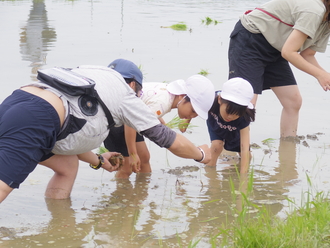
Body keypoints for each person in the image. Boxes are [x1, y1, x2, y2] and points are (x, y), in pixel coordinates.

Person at [0, 62, 212, 203]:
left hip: (18, 101)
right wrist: (201, 154)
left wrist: (99, 160)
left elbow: (71, 138)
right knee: (3, 186)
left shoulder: (96, 74)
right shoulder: (125, 95)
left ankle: (60, 220)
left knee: (67, 166)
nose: (139, 96)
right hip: (40, 117)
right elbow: (168, 139)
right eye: (139, 91)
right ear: (132, 85)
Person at [228, 0, 330, 137]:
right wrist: (319, 75)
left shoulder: (327, 21)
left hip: (276, 47)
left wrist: (325, 75)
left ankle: (288, 146)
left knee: (293, 101)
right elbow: (289, 52)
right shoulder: (314, 10)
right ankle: (230, 152)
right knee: (245, 102)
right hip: (251, 38)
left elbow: (308, 54)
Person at [104, 59, 215, 179]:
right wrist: (132, 153)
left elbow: (147, 108)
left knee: (144, 158)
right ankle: (120, 194)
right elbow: (130, 123)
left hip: (131, 121)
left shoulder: (168, 92)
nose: (192, 116)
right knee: (127, 167)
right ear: (183, 96)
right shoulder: (162, 103)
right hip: (119, 124)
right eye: (193, 111)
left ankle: (141, 191)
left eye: (196, 114)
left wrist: (167, 121)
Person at [206, 78, 255, 173]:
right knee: (216, 146)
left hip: (235, 129)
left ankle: (241, 168)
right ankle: (210, 173)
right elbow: (195, 105)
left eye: (236, 114)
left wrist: (243, 177)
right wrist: (186, 120)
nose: (230, 117)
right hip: (216, 122)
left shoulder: (244, 116)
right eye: (228, 111)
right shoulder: (211, 100)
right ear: (220, 99)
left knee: (245, 154)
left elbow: (244, 147)